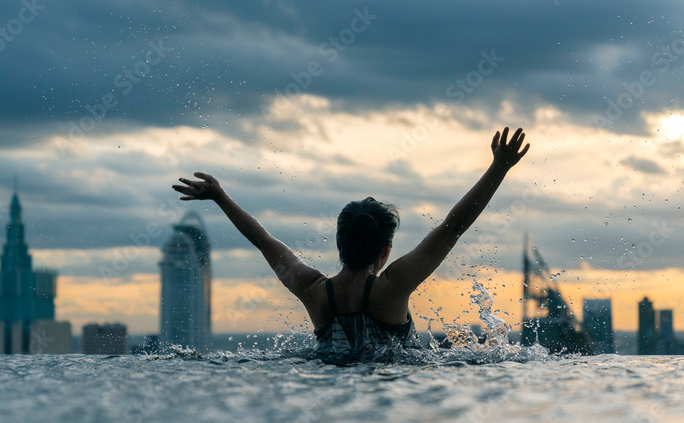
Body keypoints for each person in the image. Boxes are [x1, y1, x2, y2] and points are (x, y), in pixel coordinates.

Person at [173, 126, 530, 361]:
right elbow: (453, 228)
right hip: (390, 389)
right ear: (385, 251)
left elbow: (265, 242)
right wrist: (499, 167)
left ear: (339, 245)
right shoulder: (392, 288)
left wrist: (220, 196)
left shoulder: (315, 291)